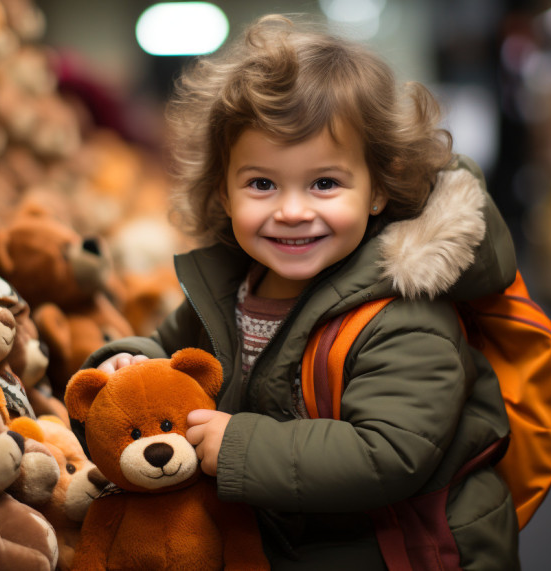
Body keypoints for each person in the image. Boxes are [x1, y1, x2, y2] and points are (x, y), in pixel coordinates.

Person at [83, 14, 520, 570]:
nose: (292, 211)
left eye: (325, 183)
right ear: (223, 187)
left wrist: (242, 447)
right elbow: (173, 352)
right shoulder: (233, 284)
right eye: (262, 184)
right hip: (285, 539)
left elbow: (391, 453)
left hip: (401, 552)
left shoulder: (404, 312)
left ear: (378, 189)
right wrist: (134, 367)